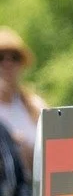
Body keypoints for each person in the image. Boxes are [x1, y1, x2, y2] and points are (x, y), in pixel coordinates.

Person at [0, 27, 45, 163]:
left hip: (35, 181)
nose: (7, 64)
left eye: (14, 57)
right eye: (0, 57)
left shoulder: (34, 104)